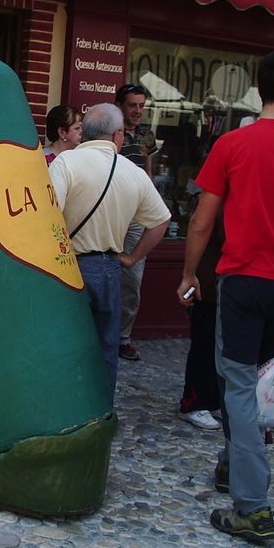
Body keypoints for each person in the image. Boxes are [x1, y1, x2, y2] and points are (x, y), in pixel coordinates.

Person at [176, 51, 274, 544]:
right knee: (256, 386)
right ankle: (231, 465)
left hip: (243, 282)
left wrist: (188, 272)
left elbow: (202, 219)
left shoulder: (232, 143)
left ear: (259, 88)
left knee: (241, 387)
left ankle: (252, 508)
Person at [49, 103, 170, 397]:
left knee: (61, 344)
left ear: (85, 132)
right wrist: (131, 257)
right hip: (108, 266)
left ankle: (62, 406)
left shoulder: (65, 164)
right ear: (118, 135)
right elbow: (161, 221)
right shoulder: (134, 172)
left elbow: (49, 214)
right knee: (105, 345)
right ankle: (100, 409)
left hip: (68, 263)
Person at [115, 83, 159, 362]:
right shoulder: (110, 129)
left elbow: (149, 170)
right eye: (133, 105)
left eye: (142, 106)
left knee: (132, 279)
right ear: (120, 105)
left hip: (135, 215)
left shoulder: (145, 134)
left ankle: (122, 338)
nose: (138, 111)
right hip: (111, 211)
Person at [178, 204, 225, 431]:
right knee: (205, 346)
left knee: (219, 348)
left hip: (221, 284)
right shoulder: (218, 201)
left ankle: (213, 398)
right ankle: (194, 402)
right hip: (208, 285)